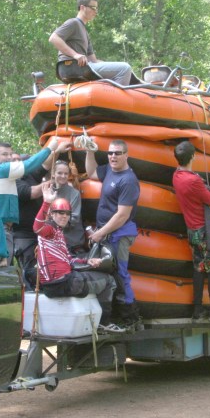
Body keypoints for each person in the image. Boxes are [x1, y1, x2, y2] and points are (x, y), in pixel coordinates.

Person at [33, 185, 122, 333]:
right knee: (109, 281)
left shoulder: (58, 233)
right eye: (60, 213)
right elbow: (37, 227)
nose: (64, 216)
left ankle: (87, 321)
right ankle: (103, 323)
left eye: (67, 213)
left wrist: (88, 261)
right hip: (65, 283)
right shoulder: (48, 230)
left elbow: (68, 259)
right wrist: (47, 202)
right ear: (51, 214)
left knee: (91, 274)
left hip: (58, 283)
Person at [0, 138, 67, 266]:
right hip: (5, 229)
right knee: (4, 268)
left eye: (11, 154)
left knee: (6, 265)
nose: (10, 159)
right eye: (5, 154)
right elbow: (31, 170)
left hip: (6, 228)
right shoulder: (1, 171)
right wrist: (49, 148)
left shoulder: (10, 175)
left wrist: (57, 151)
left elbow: (44, 165)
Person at [85, 139, 140, 325]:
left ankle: (130, 317)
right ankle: (113, 314)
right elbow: (92, 172)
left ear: (126, 154)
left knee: (120, 273)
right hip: (107, 233)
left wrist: (101, 233)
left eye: (117, 153)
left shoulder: (128, 180)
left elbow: (122, 215)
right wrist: (90, 151)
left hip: (119, 234)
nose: (113, 156)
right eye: (110, 153)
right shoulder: (109, 169)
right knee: (107, 272)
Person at [172, 141, 210, 321]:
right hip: (205, 231)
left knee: (198, 269)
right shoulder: (193, 180)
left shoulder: (177, 175)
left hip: (192, 230)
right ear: (193, 156)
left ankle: (197, 310)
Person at [49, 0, 135, 86]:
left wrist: (110, 65)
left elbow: (93, 60)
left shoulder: (85, 32)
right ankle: (118, 100)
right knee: (125, 68)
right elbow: (53, 38)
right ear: (82, 7)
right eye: (93, 8)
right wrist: (76, 55)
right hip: (71, 67)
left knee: (124, 69)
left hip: (84, 67)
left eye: (96, 9)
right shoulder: (73, 23)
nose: (96, 12)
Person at [52, 160, 87, 253]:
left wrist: (52, 223)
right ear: (53, 173)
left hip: (72, 243)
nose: (63, 176)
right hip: (54, 242)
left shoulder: (74, 193)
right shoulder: (48, 191)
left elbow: (74, 218)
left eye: (66, 174)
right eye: (59, 173)